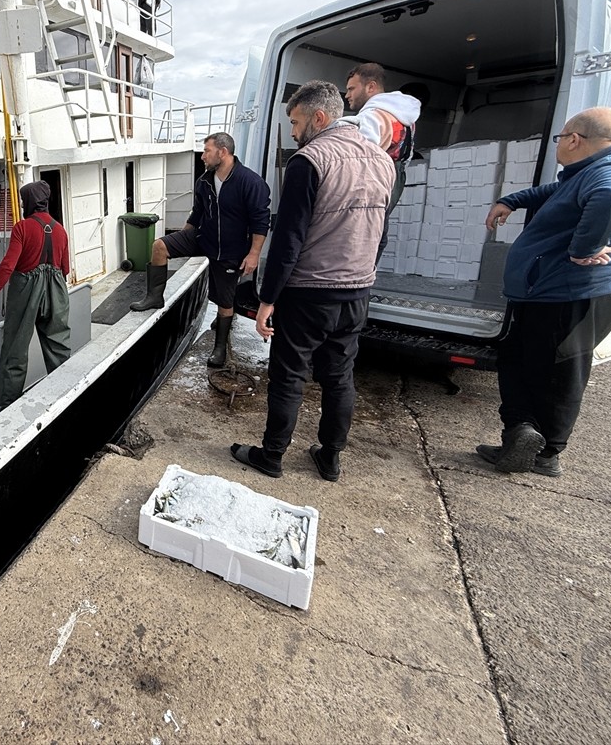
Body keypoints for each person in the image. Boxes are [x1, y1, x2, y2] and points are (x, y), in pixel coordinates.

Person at [231, 80, 393, 483]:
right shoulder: (382, 159)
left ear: (318, 117)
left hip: (310, 292)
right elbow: (381, 232)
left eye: (295, 120)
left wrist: (267, 300)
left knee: (289, 375)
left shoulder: (310, 160)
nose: (292, 130)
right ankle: (330, 458)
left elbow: (289, 239)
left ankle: (271, 456)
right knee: (339, 375)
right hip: (357, 290)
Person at [477, 107, 611, 477]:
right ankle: (519, 437)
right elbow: (560, 191)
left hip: (575, 296)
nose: (559, 145)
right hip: (550, 293)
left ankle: (545, 454)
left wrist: (583, 249)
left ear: (573, 139)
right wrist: (515, 200)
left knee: (559, 375)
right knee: (518, 362)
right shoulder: (590, 170)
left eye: (559, 138)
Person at [130, 131, 270, 369]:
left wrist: (253, 254)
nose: (203, 156)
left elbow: (261, 221)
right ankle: (155, 297)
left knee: (225, 303)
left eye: (206, 151)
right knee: (159, 246)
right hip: (203, 237)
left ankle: (220, 347)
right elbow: (197, 213)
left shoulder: (251, 182)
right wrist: (183, 237)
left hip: (230, 250)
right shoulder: (204, 180)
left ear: (223, 152)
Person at [0, 181, 72, 406]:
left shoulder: (22, 228)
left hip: (27, 290)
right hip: (56, 289)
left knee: (16, 347)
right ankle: (67, 395)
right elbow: (66, 268)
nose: (22, 205)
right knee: (58, 345)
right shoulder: (60, 229)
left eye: (23, 201)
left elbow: (8, 265)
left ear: (29, 203)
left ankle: (10, 402)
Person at [343, 62, 422, 262]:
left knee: (358, 244)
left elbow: (358, 159)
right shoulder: (404, 116)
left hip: (372, 186)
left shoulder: (372, 116)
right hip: (394, 180)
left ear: (370, 87)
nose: (347, 95)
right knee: (377, 236)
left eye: (352, 89)